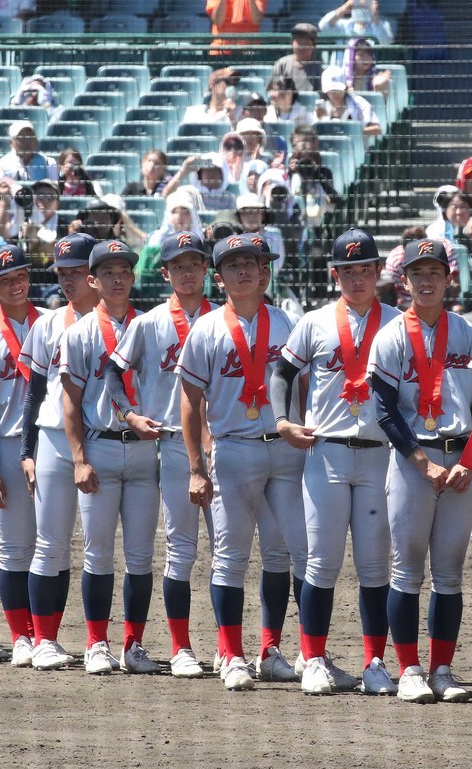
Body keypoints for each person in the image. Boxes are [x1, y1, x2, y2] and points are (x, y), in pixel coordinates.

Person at [269, 229, 401, 695]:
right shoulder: (315, 321)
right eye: (348, 271)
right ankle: (315, 659)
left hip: (380, 456)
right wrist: (283, 420)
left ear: (378, 270)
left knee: (374, 566)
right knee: (321, 563)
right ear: (335, 274)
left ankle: (374, 663)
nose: (358, 278)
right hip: (325, 452)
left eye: (366, 269)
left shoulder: (398, 322)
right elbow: (283, 371)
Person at [179, 234, 306, 691]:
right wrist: (196, 465)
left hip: (286, 449)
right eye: (234, 265)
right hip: (233, 448)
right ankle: (230, 654)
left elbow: (303, 388)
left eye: (253, 262)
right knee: (230, 557)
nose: (246, 270)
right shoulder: (208, 328)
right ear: (220, 277)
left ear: (266, 271)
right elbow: (190, 402)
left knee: (282, 553)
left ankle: (270, 650)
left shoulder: (289, 323)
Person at [367, 238, 472, 704]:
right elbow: (385, 410)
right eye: (418, 273)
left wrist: (470, 462)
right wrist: (422, 462)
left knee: (450, 573)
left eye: (435, 271)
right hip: (415, 461)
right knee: (406, 570)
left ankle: (442, 670)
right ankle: (408, 668)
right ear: (405, 280)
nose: (427, 280)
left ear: (449, 277)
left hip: (460, 463)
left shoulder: (468, 333)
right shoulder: (392, 334)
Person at [104, 232, 214, 677]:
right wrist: (129, 413)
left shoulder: (225, 317)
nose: (188, 272)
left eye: (195, 263)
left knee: (229, 549)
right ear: (164, 272)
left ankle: (233, 650)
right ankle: (182, 647)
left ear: (207, 269)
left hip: (226, 443)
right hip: (171, 444)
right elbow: (113, 370)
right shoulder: (149, 322)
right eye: (178, 266)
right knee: (181, 548)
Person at [56, 239, 162, 675]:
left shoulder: (153, 325)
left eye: (125, 271)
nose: (118, 279)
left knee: (140, 555)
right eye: (108, 272)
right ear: (93, 280)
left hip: (145, 451)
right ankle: (96, 643)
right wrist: (79, 458)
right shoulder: (79, 333)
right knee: (98, 552)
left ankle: (133, 645)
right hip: (100, 444)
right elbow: (70, 403)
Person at [18, 233, 100, 671]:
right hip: (52, 437)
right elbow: (33, 394)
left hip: (103, 438)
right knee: (49, 543)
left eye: (76, 272)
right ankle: (43, 640)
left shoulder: (122, 321)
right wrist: (28, 451)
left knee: (96, 546)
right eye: (62, 273)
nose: (68, 281)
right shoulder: (47, 323)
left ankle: (95, 642)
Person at [317, 66, 382, 136]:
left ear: (345, 87)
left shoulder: (359, 103)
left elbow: (377, 129)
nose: (335, 93)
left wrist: (355, 132)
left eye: (338, 90)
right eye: (331, 90)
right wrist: (319, 120)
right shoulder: (321, 106)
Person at [272, 22, 323, 93]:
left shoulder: (318, 69)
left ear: (314, 45)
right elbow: (272, 91)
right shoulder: (282, 64)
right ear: (292, 43)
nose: (302, 47)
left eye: (306, 43)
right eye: (299, 42)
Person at [319, 0, 394, 45]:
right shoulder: (342, 25)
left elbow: (386, 43)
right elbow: (323, 26)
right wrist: (344, 8)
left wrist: (375, 17)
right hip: (343, 70)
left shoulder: (382, 25)